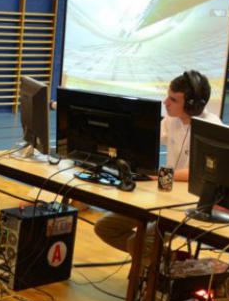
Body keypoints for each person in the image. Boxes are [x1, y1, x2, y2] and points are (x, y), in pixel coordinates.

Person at [94, 70, 221, 254]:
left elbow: (200, 173)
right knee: (105, 227)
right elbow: (146, 140)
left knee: (138, 243)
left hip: (190, 204)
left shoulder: (212, 127)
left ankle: (163, 264)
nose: (165, 102)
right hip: (165, 191)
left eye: (173, 99)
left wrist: (160, 175)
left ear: (192, 106)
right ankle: (170, 260)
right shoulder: (171, 119)